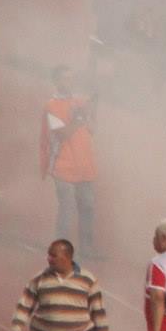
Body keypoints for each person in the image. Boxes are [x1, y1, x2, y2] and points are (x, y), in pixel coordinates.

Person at [40, 67, 99, 256]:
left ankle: (87, 249)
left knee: (87, 207)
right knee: (67, 209)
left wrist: (91, 108)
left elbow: (92, 127)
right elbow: (62, 133)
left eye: (72, 79)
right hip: (63, 166)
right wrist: (79, 117)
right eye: (65, 79)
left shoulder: (78, 101)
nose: (70, 82)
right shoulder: (51, 106)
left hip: (84, 166)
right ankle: (60, 250)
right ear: (56, 81)